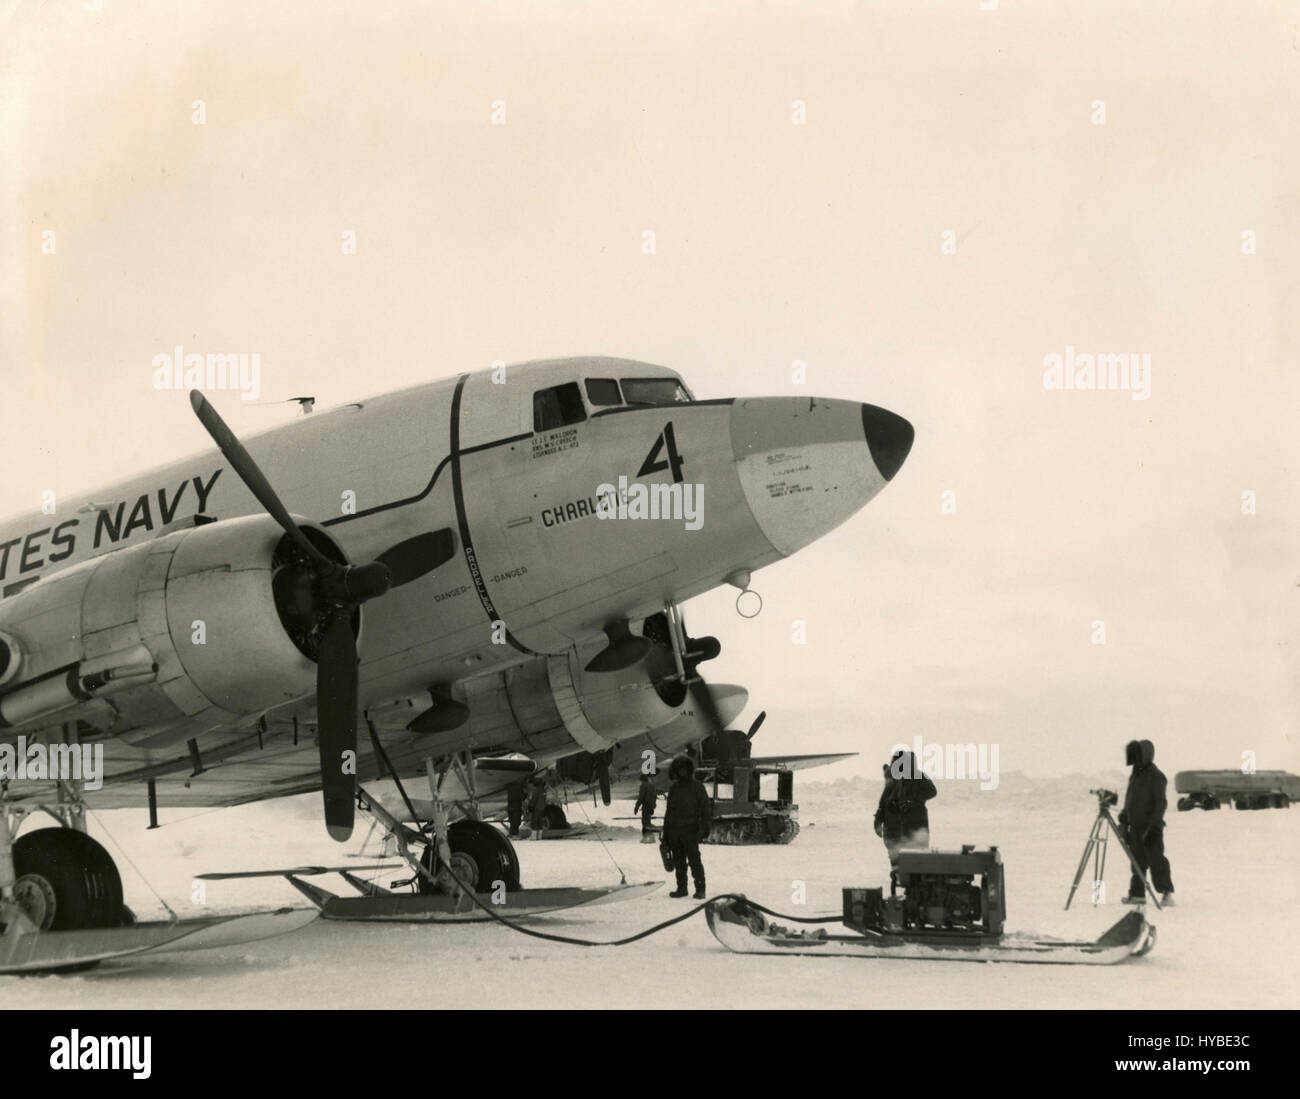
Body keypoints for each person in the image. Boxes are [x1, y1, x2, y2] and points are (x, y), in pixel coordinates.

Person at [1119, 739, 1174, 905]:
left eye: (1137, 756)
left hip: (1150, 828)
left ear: (1145, 755)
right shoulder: (1135, 775)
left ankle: (1166, 894)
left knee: (1156, 860)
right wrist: (1124, 817)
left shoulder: (1156, 776)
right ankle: (1137, 894)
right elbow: (1130, 800)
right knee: (1136, 861)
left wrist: (1155, 827)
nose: (1135, 760)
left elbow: (1161, 802)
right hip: (1134, 827)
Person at [873, 749, 937, 864]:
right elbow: (884, 801)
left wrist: (911, 801)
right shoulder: (892, 779)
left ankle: (912, 878)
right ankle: (899, 877)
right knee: (897, 860)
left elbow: (932, 791)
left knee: (917, 859)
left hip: (914, 826)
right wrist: (878, 819)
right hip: (894, 829)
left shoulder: (918, 776)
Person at [662, 755, 711, 898]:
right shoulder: (674, 788)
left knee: (695, 861)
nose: (682, 772)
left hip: (690, 831)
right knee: (679, 862)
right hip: (674, 832)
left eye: (684, 769)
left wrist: (704, 827)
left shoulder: (698, 787)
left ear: (688, 770)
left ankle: (700, 890)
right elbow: (668, 811)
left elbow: (705, 809)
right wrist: (665, 834)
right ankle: (682, 888)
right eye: (679, 769)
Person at [633, 772, 658, 843]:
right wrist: (653, 806)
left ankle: (646, 838)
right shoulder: (651, 785)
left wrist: (636, 807)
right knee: (648, 822)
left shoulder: (643, 786)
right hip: (651, 806)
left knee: (645, 822)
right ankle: (651, 838)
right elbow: (654, 796)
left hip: (646, 806)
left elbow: (641, 797)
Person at [526, 776, 548, 840]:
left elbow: (533, 799)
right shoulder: (543, 790)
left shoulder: (535, 789)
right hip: (542, 807)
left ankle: (533, 836)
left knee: (534, 821)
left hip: (536, 807)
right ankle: (539, 836)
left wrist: (530, 806)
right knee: (539, 821)